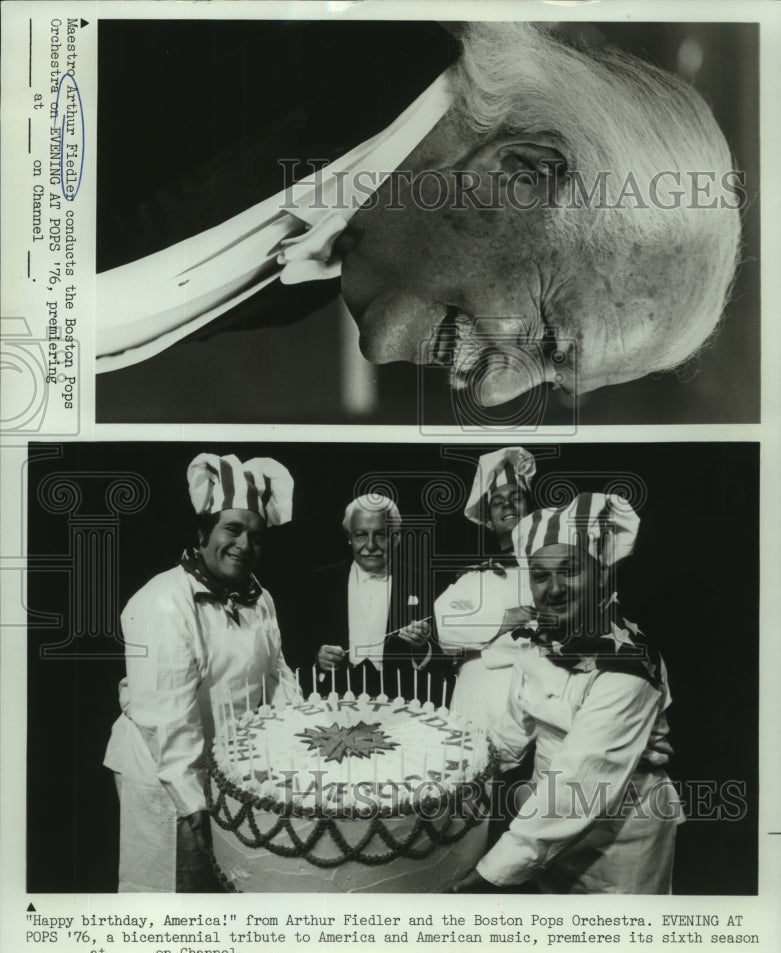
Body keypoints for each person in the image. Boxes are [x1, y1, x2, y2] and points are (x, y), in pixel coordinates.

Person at [96, 22, 740, 411]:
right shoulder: (297, 29)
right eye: (547, 341)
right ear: (520, 171)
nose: (491, 394)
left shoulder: (312, 282)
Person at [453, 492, 683, 894]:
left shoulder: (629, 665)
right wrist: (449, 771)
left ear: (602, 575)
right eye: (541, 576)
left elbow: (580, 780)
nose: (554, 588)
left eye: (569, 571)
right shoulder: (533, 645)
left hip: (620, 840)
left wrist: (493, 870)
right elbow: (507, 740)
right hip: (542, 831)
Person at [103, 453, 299, 892]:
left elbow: (277, 676)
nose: (245, 545)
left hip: (223, 771)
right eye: (232, 529)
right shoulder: (160, 601)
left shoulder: (259, 597)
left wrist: (297, 737)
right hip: (165, 772)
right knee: (172, 889)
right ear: (202, 531)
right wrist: (197, 804)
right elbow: (169, 716)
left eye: (256, 535)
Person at [292, 494, 442, 701]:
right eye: (361, 535)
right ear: (349, 536)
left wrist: (421, 648)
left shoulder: (423, 583)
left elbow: (442, 660)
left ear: (396, 537)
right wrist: (317, 658)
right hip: (335, 698)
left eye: (381, 534)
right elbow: (294, 648)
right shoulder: (319, 583)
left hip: (399, 700)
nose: (370, 545)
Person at [435, 447, 537, 729]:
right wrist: (506, 619)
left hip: (539, 702)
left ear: (530, 509)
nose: (507, 506)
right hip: (478, 703)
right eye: (498, 502)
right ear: (489, 520)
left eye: (516, 498)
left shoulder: (554, 571)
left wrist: (486, 645)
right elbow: (445, 628)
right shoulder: (472, 578)